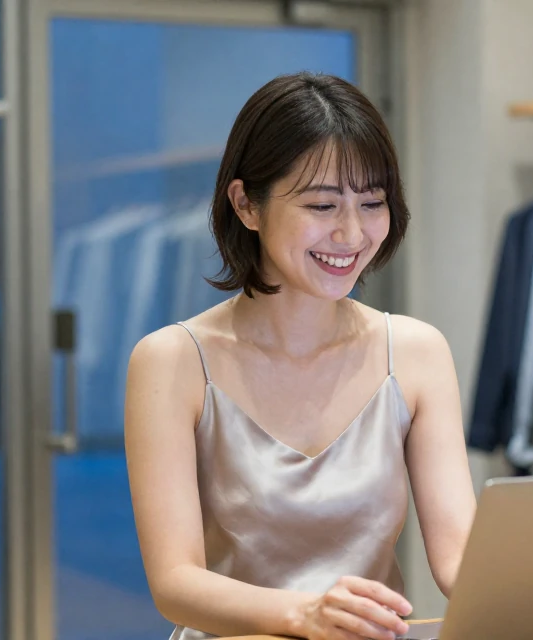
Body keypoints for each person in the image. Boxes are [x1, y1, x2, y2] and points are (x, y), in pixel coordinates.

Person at [125, 72, 477, 640]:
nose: (352, 233)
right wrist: (302, 615)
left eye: (372, 203)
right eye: (322, 204)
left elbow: (459, 557)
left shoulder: (417, 352)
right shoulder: (173, 360)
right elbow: (175, 582)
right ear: (246, 205)